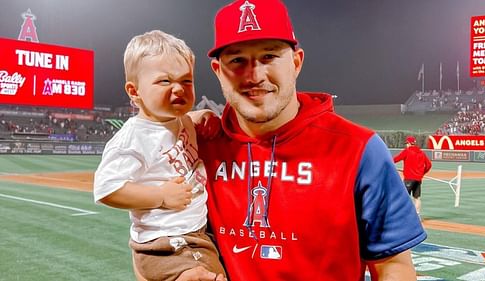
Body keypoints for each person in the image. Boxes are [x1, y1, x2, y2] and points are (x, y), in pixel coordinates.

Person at [177, 0, 427, 280]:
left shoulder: (359, 149)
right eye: (237, 60)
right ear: (217, 71)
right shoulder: (195, 146)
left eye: (269, 56)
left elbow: (394, 266)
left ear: (296, 63)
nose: (255, 75)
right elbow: (149, 244)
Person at [93, 30, 225, 281]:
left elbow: (186, 120)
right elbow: (106, 188)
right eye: (164, 81)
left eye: (186, 81)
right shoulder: (134, 136)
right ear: (135, 92)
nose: (179, 89)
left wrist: (202, 116)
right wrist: (160, 196)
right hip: (166, 243)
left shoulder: (179, 120)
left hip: (194, 234)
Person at [393, 135, 432, 218]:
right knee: (417, 198)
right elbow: (429, 165)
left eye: (406, 143)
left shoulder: (407, 151)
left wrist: (388, 162)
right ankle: (417, 215)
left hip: (409, 179)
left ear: (409, 143)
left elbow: (395, 159)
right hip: (418, 179)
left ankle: (402, 216)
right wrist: (422, 173)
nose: (406, 145)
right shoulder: (421, 152)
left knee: (403, 197)